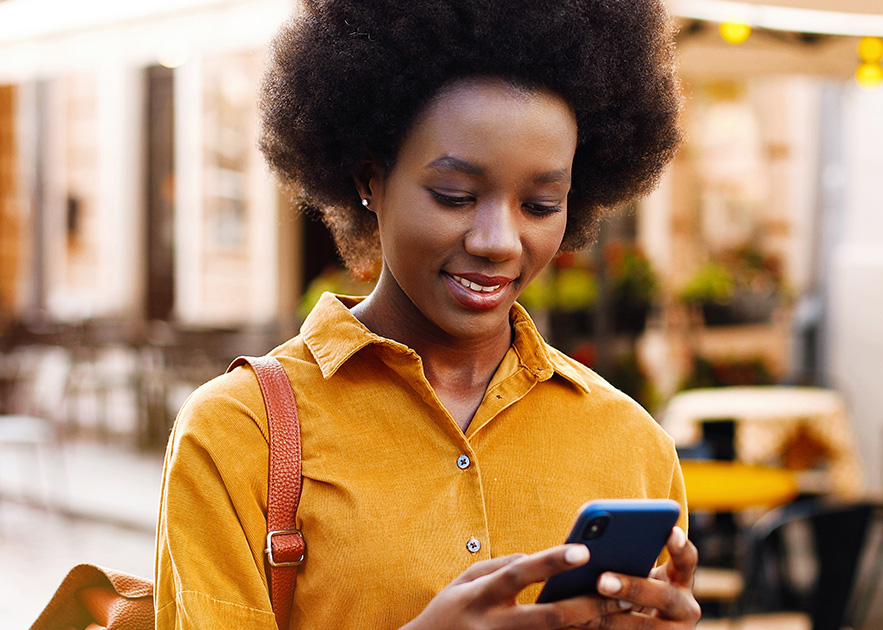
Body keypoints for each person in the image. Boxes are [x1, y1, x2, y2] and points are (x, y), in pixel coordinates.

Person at [153, 1, 698, 629]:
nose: (499, 240)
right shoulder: (239, 433)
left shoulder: (631, 444)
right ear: (370, 181)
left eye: (541, 204)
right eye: (455, 196)